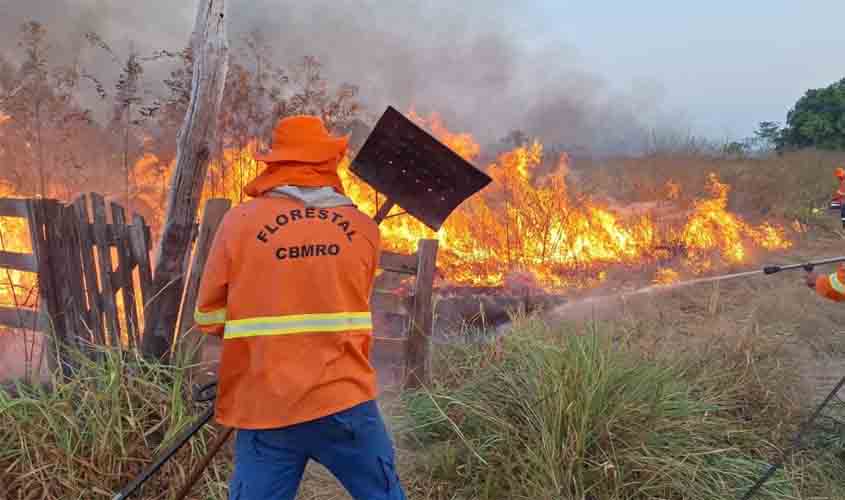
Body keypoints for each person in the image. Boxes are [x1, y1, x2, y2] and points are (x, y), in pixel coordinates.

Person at [194, 115, 406, 500]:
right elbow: (350, 296)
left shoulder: (238, 223)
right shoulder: (362, 227)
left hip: (266, 403)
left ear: (275, 164)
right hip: (344, 401)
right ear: (327, 162)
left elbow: (208, 316)